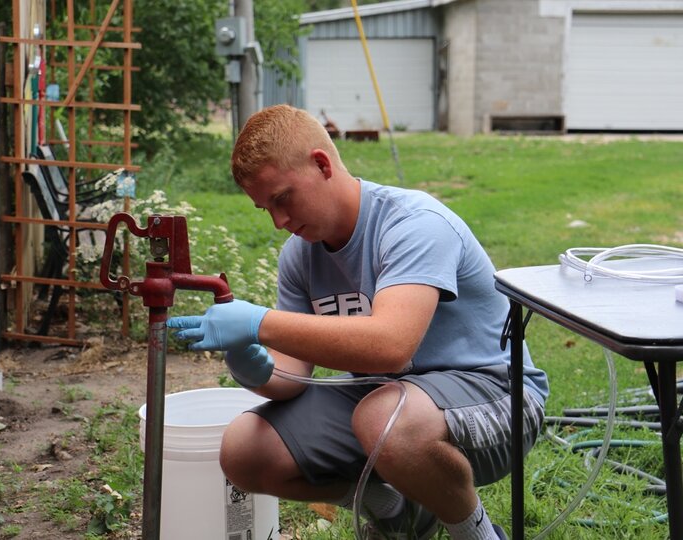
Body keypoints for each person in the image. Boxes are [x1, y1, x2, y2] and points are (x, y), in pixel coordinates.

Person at [167, 105, 549, 540]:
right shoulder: (300, 254)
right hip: (388, 403)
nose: (278, 222)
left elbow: (390, 345)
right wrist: (251, 364)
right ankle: (397, 512)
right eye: (264, 209)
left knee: (384, 420)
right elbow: (291, 378)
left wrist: (261, 322)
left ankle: (478, 536)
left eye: (282, 198)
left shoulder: (414, 224)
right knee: (244, 451)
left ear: (322, 164)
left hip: (497, 398)